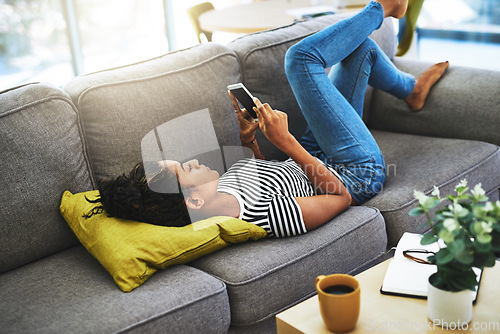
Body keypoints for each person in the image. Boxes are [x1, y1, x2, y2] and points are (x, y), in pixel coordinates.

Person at [87, 0, 448, 237]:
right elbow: (338, 198)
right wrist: (285, 142)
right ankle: (383, 7)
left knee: (362, 50)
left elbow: (265, 178)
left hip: (313, 155)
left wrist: (250, 141)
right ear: (193, 201)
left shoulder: (215, 195)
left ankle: (411, 91)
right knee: (301, 60)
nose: (193, 160)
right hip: (355, 173)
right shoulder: (264, 217)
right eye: (186, 168)